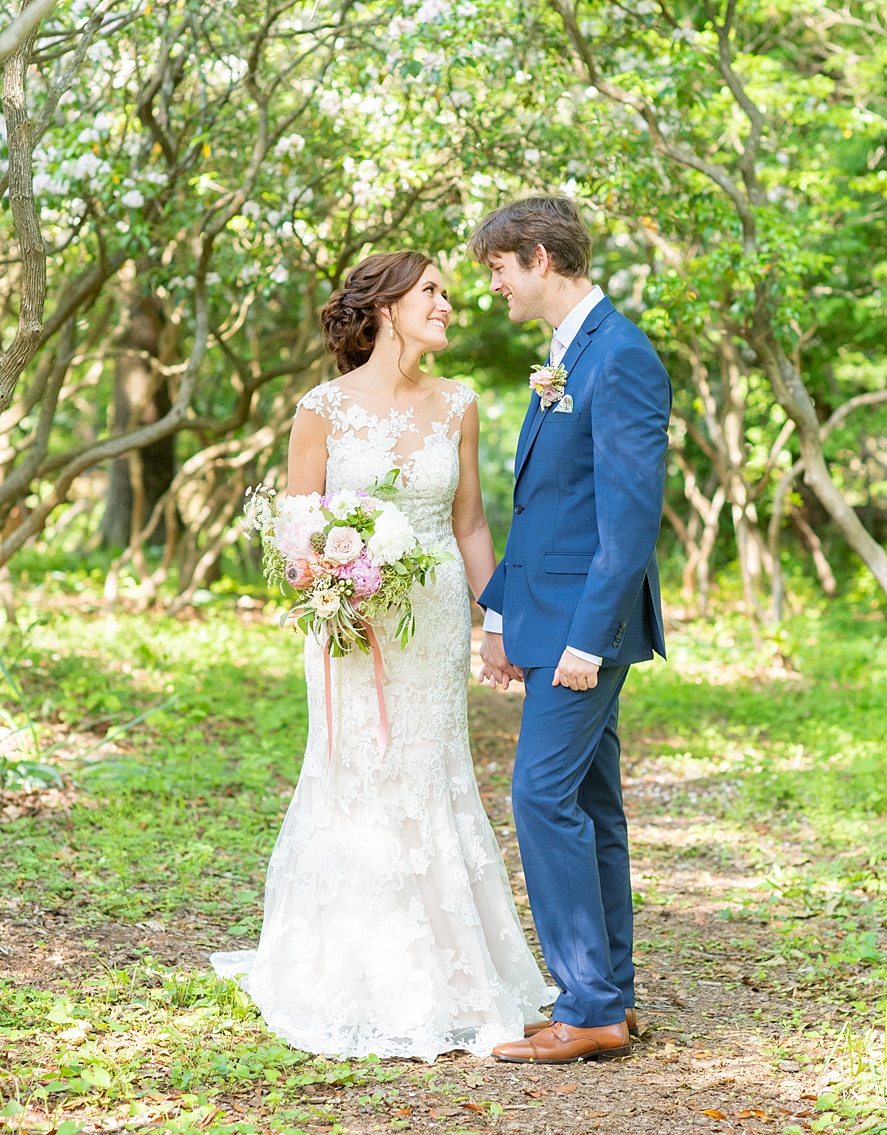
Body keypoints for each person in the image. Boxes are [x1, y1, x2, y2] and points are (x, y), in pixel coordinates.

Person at [211, 251, 552, 1061]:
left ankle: (452, 971)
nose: (448, 305)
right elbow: (296, 531)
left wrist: (492, 619)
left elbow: (469, 524)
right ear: (387, 307)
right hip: (349, 629)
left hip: (432, 621)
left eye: (448, 294)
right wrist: (329, 584)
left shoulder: (459, 404)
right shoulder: (320, 409)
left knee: (431, 770)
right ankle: (349, 965)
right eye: (433, 292)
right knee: (357, 767)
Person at [471, 197, 671, 1064]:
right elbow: (544, 506)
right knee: (590, 803)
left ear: (541, 258)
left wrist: (586, 642)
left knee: (538, 796)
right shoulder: (566, 355)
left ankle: (587, 1005)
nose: (495, 287)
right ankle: (610, 998)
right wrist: (506, 612)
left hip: (586, 628)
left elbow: (628, 523)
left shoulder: (620, 356)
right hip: (550, 616)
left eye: (499, 269)